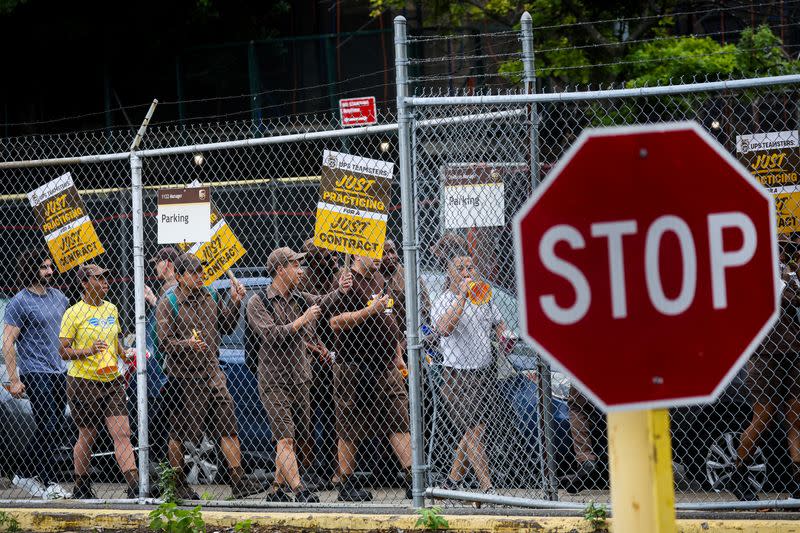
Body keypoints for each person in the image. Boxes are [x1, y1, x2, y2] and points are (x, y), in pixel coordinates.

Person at [246, 247, 352, 503]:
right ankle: (299, 490)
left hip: (300, 377)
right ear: (280, 269)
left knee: (294, 438)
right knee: (285, 438)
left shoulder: (300, 297)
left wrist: (341, 289)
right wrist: (301, 321)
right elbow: (271, 336)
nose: (300, 270)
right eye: (295, 265)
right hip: (274, 380)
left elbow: (324, 302)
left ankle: (277, 489)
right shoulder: (258, 301)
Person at [156, 253, 263, 500]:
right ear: (180, 276)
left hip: (212, 373)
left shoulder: (211, 294)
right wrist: (187, 344)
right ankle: (177, 484)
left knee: (229, 426)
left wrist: (236, 302)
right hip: (183, 378)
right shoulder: (169, 302)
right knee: (179, 433)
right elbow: (163, 343)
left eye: (200, 271)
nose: (200, 275)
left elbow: (225, 327)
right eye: (193, 272)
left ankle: (238, 481)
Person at [431, 242, 511, 501]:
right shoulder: (444, 300)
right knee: (474, 431)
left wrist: (504, 336)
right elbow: (444, 328)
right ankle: (488, 490)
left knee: (473, 432)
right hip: (457, 374)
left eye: (469, 267)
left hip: (484, 371)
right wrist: (463, 298)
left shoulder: (484, 295)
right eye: (460, 268)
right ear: (450, 273)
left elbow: (499, 323)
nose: (467, 272)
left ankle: (452, 482)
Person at [329, 254, 413, 502]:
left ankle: (413, 476)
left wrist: (398, 355)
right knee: (350, 425)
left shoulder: (378, 278)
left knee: (399, 417)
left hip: (385, 364)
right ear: (356, 253)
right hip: (353, 366)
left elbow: (390, 318)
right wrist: (369, 310)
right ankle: (346, 483)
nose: (378, 256)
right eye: (372, 250)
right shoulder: (345, 280)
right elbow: (335, 322)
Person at [59, 264, 139, 499]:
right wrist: (88, 350)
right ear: (85, 284)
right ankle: (81, 485)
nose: (105, 281)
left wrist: (125, 354)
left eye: (106, 277)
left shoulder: (111, 309)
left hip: (111, 380)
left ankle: (134, 485)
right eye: (99, 278)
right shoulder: (74, 312)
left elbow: (115, 341)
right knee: (88, 435)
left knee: (123, 432)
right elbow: (63, 351)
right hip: (83, 382)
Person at [729, 236, 800, 500]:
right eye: (780, 250)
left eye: (786, 252)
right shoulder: (755, 278)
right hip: (765, 355)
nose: (784, 256)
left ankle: (798, 482)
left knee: (795, 417)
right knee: (764, 416)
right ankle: (739, 473)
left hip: (792, 353)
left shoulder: (788, 279)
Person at [2, 250, 71, 499]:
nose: (49, 272)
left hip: (59, 369)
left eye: (50, 267)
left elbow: (69, 332)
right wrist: (14, 378)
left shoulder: (60, 298)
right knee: (49, 424)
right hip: (34, 370)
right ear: (31, 269)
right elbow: (8, 342)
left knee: (56, 426)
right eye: (43, 268)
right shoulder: (19, 302)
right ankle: (49, 481)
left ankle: (24, 473)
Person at [298, 240, 341, 489]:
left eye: (335, 255)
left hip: (334, 358)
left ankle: (334, 468)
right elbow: (295, 324)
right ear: (313, 259)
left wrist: (331, 351)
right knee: (307, 417)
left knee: (334, 416)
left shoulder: (338, 279)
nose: (334, 259)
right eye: (327, 256)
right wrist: (316, 348)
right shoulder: (302, 282)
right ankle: (310, 469)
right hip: (307, 362)